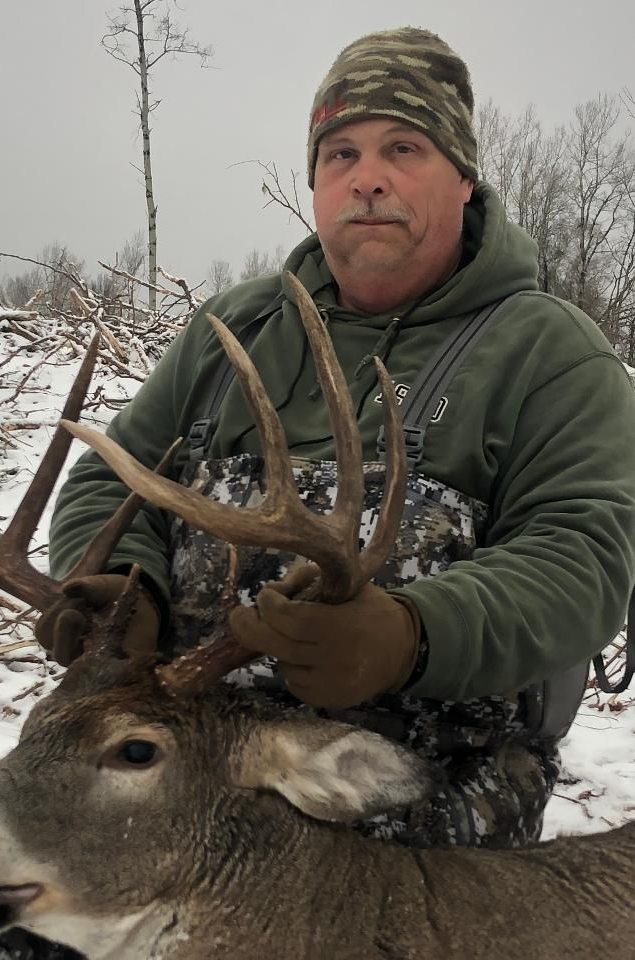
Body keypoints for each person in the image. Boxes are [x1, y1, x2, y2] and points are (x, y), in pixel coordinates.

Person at [38, 26, 635, 849]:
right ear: (315, 182)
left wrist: (413, 636)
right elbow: (114, 478)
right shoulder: (236, 326)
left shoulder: (548, 351)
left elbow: (585, 560)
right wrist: (118, 588)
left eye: (404, 148)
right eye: (340, 154)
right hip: (187, 757)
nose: (369, 180)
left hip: (421, 790)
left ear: (463, 177)